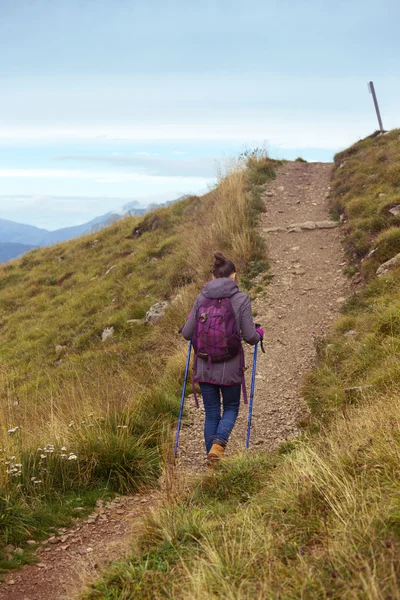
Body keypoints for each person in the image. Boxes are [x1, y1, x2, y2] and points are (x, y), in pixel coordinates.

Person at [181, 252, 263, 466]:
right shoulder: (241, 299)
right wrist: (260, 333)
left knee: (211, 413)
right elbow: (250, 336)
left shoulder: (201, 298)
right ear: (233, 275)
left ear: (214, 276)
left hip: (204, 366)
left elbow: (187, 333)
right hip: (230, 367)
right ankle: (218, 446)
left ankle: (212, 466)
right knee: (231, 407)